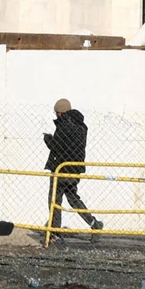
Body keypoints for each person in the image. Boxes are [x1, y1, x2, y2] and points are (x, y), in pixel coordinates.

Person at [43, 98, 103, 233]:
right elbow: (71, 146)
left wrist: (48, 139)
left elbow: (56, 146)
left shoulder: (63, 126)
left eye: (56, 113)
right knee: (73, 198)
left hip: (61, 169)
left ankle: (54, 231)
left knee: (54, 200)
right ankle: (94, 224)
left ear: (60, 112)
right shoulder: (82, 127)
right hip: (74, 169)